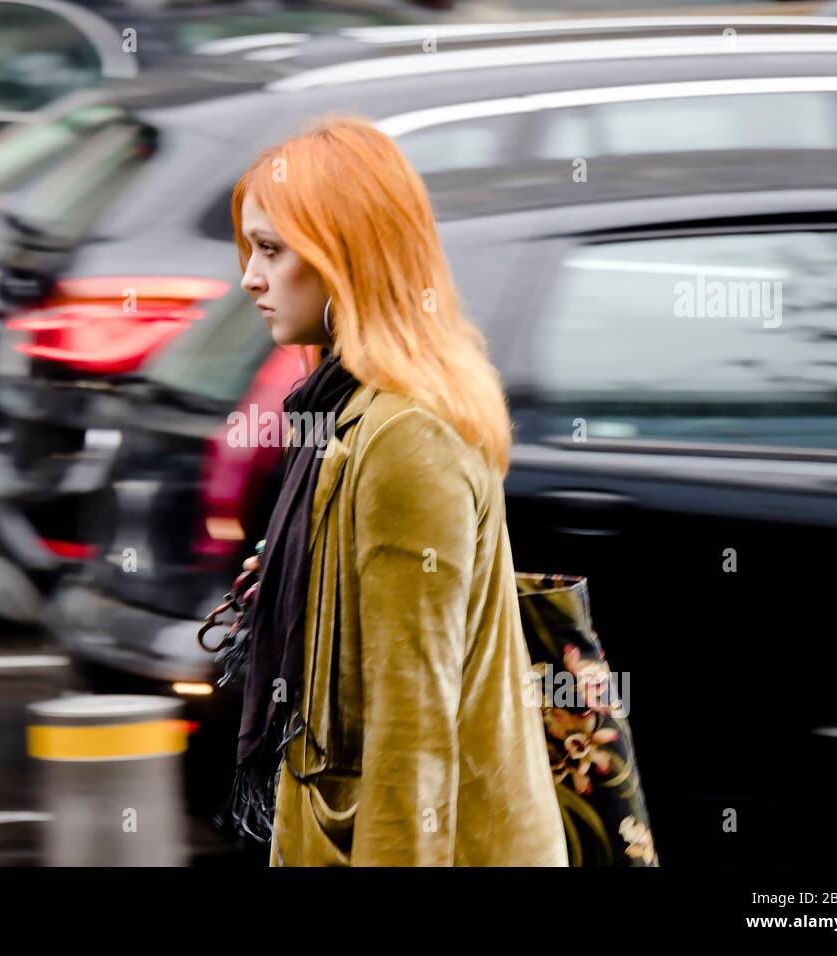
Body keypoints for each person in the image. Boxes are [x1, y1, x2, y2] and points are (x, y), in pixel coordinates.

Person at [215, 114, 569, 866]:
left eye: (272, 251)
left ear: (347, 259)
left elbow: (414, 740)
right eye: (252, 249)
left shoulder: (404, 437)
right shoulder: (347, 408)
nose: (249, 276)